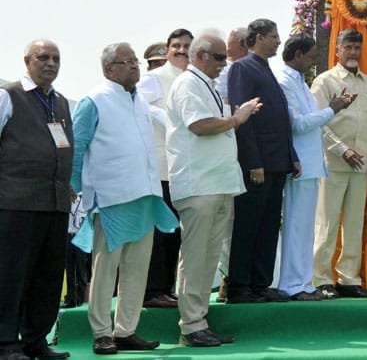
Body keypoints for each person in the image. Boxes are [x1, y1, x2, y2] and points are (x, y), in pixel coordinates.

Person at [70, 43, 178, 355]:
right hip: (112, 197)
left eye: (135, 61)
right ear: (109, 69)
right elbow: (77, 147)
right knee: (106, 269)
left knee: (137, 269)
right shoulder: (94, 100)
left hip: (145, 195)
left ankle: (125, 330)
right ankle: (102, 332)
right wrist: (74, 189)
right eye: (126, 62)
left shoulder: (141, 100)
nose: (135, 66)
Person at [166, 34, 261, 346]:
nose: (225, 63)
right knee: (195, 256)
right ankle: (190, 325)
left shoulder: (205, 83)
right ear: (202, 55)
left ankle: (199, 320)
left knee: (208, 257)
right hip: (199, 184)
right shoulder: (188, 84)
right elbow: (200, 125)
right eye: (220, 58)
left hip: (217, 182)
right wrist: (237, 118)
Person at [0, 39, 72, 360]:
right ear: (27, 60)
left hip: (54, 203)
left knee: (47, 276)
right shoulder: (8, 96)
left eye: (56, 58)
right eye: (43, 57)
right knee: (11, 276)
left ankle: (35, 341)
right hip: (15, 202)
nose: (50, 63)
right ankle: (5, 343)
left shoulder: (61, 103)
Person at [311, 29, 367, 299]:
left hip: (362, 165)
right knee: (327, 223)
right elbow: (317, 123)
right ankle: (321, 279)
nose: (353, 52)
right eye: (349, 47)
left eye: (357, 48)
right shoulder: (324, 82)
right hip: (332, 162)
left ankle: (348, 279)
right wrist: (342, 150)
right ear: (337, 50)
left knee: (354, 224)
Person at [276, 35, 354, 301]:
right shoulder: (285, 82)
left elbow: (311, 122)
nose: (312, 63)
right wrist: (332, 109)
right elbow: (297, 124)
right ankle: (291, 284)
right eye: (310, 57)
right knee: (296, 227)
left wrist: (336, 109)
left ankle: (304, 283)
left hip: (311, 164)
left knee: (306, 227)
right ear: (297, 55)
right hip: (299, 164)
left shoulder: (300, 82)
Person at [227, 18, 298, 304]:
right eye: (273, 36)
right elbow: (243, 120)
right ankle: (240, 286)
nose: (278, 42)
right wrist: (253, 162)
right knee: (249, 226)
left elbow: (280, 120)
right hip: (258, 165)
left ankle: (260, 283)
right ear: (256, 38)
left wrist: (290, 156)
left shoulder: (267, 70)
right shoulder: (242, 68)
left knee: (268, 226)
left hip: (277, 162)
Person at [136, 28, 194, 308]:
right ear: (168, 49)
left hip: (185, 168)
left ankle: (166, 287)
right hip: (160, 167)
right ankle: (152, 290)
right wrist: (171, 120)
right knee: (160, 232)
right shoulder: (154, 78)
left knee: (175, 233)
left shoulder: (194, 79)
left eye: (187, 46)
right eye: (177, 46)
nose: (182, 51)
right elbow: (141, 107)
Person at [215, 27, 249, 303]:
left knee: (239, 224)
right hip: (223, 154)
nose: (226, 53)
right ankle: (227, 278)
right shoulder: (224, 74)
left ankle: (238, 279)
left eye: (230, 46)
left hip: (245, 157)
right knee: (226, 224)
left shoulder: (252, 70)